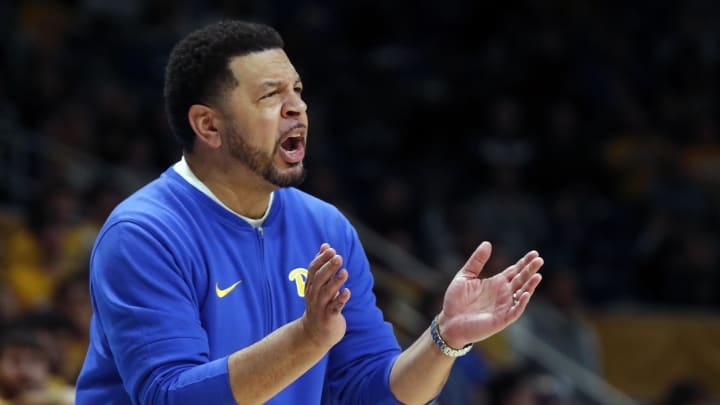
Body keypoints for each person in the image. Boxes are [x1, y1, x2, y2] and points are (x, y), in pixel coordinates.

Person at [75, 20, 544, 405]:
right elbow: (168, 398)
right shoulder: (143, 235)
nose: (296, 107)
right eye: (270, 96)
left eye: (297, 90)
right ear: (208, 125)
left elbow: (372, 390)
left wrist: (443, 338)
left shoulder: (325, 227)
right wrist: (308, 337)